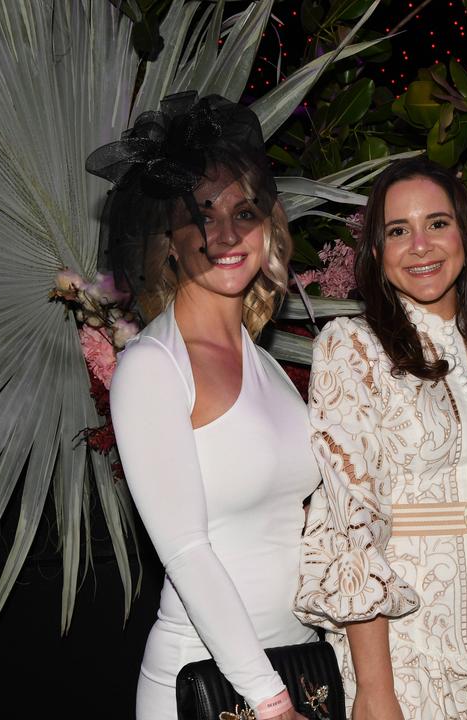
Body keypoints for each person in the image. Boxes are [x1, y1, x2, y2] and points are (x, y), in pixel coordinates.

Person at [91, 93, 318, 720]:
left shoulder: (265, 363)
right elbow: (186, 550)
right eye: (202, 215)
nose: (226, 234)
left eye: (244, 212)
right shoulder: (152, 368)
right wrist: (268, 699)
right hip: (211, 684)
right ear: (170, 239)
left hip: (299, 666)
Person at [294, 158, 467, 720]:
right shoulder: (352, 347)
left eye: (437, 223)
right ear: (377, 254)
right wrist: (376, 691)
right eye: (397, 231)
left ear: (464, 235)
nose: (420, 245)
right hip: (412, 656)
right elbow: (349, 521)